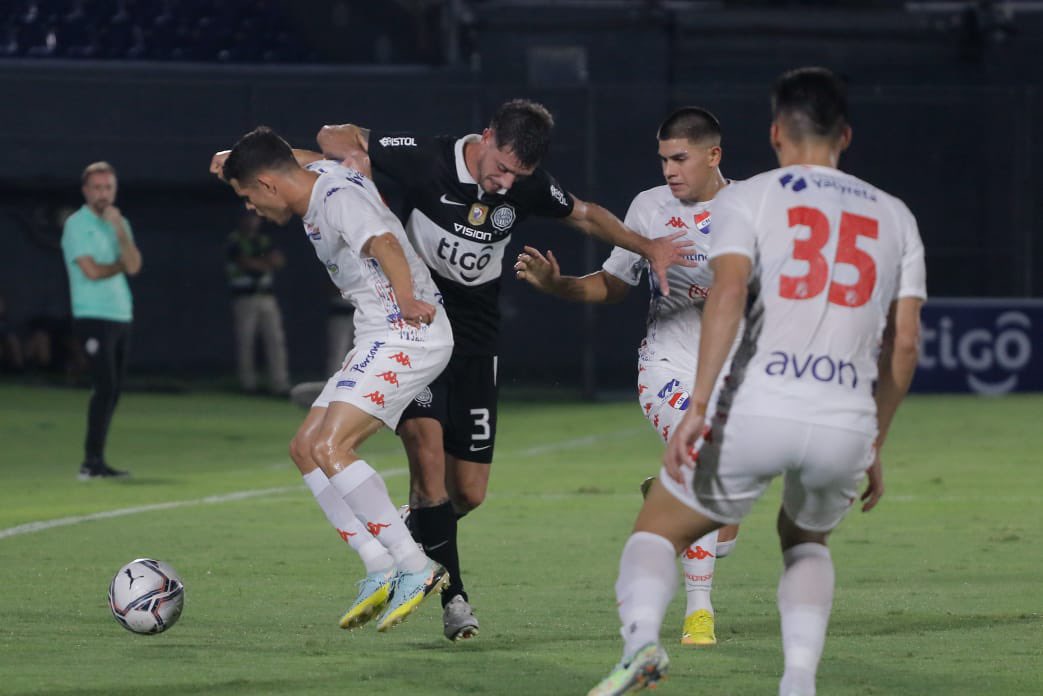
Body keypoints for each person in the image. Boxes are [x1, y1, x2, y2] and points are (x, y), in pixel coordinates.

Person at [588, 67, 926, 696]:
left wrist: (701, 403)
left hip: (759, 401)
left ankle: (640, 646)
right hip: (843, 416)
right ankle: (798, 679)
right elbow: (903, 343)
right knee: (805, 545)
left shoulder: (753, 198)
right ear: (846, 135)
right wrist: (874, 441)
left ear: (775, 134)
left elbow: (728, 294)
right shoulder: (895, 215)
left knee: (657, 526)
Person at [315, 99, 695, 641]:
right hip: (418, 330)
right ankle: (455, 599)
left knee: (466, 493)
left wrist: (648, 245)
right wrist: (355, 155)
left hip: (476, 340)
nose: (503, 184)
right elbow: (334, 131)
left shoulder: (523, 185)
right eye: (500, 168)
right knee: (427, 458)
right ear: (486, 137)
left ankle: (410, 528)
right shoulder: (425, 157)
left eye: (518, 176)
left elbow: (585, 213)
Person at [514, 107, 741, 647]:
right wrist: (559, 286)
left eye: (680, 158)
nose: (669, 170)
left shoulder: (755, 206)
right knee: (700, 457)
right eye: (663, 159)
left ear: (714, 155)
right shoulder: (649, 207)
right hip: (667, 365)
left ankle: (667, 503)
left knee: (721, 519)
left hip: (735, 376)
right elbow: (613, 285)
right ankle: (699, 612)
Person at [216, 126, 455, 633]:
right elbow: (294, 155)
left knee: (331, 447)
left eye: (248, 198)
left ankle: (415, 566)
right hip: (375, 335)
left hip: (406, 332)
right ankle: (377, 562)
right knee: (306, 447)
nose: (251, 209)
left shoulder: (337, 197)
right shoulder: (314, 175)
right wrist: (233, 156)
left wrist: (408, 298)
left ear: (268, 185)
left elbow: (385, 241)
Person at [61, 161, 143, 480]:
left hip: (121, 313)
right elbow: (91, 271)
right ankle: (90, 462)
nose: (103, 194)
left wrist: (120, 230)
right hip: (91, 314)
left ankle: (97, 460)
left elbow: (134, 265)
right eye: (96, 188)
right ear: (85, 191)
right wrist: (120, 264)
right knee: (105, 387)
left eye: (108, 187)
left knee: (114, 390)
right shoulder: (76, 224)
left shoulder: (119, 222)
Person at [225, 212, 291, 395]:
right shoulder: (235, 240)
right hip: (244, 297)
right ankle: (248, 384)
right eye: (248, 218)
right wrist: (264, 263)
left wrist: (261, 263)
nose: (252, 222)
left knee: (275, 340)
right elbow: (245, 263)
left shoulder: (264, 241)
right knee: (246, 341)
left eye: (255, 218)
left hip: (266, 296)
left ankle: (280, 384)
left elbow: (278, 261)